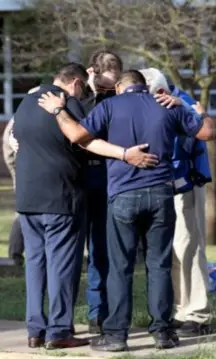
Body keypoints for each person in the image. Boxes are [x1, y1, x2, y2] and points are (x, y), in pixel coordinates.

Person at [37, 70, 216, 352]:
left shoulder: (109, 105)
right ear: (145, 87)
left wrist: (58, 110)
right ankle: (163, 333)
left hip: (123, 196)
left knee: (120, 267)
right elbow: (207, 133)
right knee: (159, 265)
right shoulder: (167, 104)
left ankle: (117, 335)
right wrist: (200, 112)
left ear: (120, 87)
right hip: (161, 194)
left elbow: (75, 135)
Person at [13, 63, 157, 350]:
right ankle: (59, 330)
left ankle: (34, 330)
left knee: (36, 265)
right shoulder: (68, 104)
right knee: (61, 266)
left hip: (27, 198)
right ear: (76, 83)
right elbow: (85, 139)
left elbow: (18, 140)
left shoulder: (25, 104)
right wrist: (125, 154)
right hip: (61, 197)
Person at [139, 68, 214, 337]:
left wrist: (188, 109)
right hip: (157, 187)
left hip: (184, 185)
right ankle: (176, 312)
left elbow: (204, 132)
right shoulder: (153, 99)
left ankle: (196, 315)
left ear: (159, 92)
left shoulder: (181, 103)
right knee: (167, 253)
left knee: (188, 248)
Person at [80, 50, 123, 334]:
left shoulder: (121, 100)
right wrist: (92, 93)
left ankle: (100, 313)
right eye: (106, 84)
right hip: (80, 179)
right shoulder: (78, 100)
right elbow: (77, 129)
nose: (109, 90)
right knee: (72, 251)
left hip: (109, 178)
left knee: (102, 249)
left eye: (114, 85)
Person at [3, 86, 41, 267]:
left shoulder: (23, 115)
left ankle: (17, 252)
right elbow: (10, 150)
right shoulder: (22, 117)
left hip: (25, 168)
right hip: (24, 169)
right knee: (22, 210)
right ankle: (15, 253)